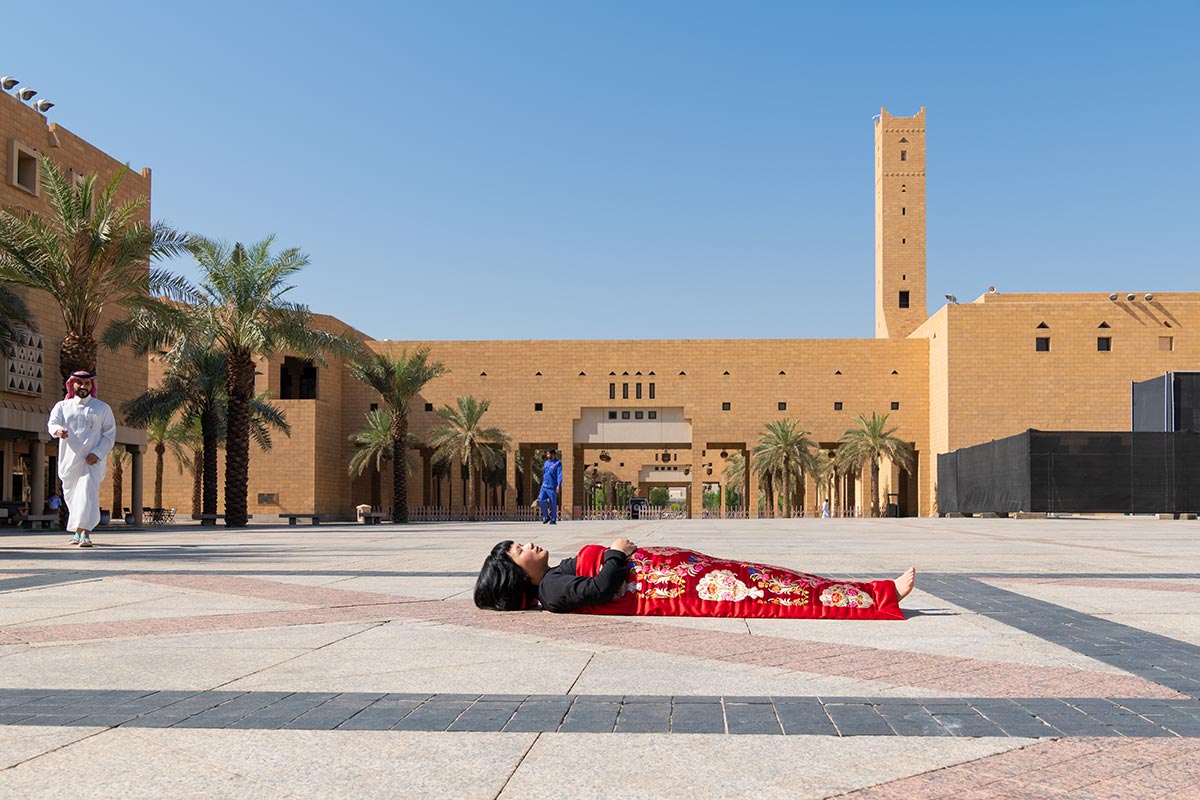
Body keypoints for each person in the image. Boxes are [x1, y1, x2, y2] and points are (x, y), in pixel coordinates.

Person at [475, 538, 916, 620]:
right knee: (780, 592)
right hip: (690, 589)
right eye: (519, 551)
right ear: (518, 576)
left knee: (776, 579)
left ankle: (873, 591)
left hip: (688, 574)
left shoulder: (551, 577)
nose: (528, 545)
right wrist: (617, 553)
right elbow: (603, 588)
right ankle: (880, 594)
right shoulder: (551, 591)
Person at [47, 371, 115, 547]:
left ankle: (85, 533)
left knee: (87, 494)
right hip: (69, 462)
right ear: (72, 385)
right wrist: (57, 431)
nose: (83, 386)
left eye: (87, 383)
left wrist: (98, 453)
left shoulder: (102, 408)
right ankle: (78, 531)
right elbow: (52, 423)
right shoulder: (62, 406)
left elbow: (109, 435)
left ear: (92, 386)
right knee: (72, 497)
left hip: (91, 461)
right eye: (79, 383)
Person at [538, 449, 562, 524]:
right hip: (544, 486)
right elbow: (544, 473)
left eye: (549, 454)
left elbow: (559, 475)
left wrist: (559, 485)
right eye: (547, 454)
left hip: (552, 487)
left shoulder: (558, 463)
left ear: (553, 454)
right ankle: (546, 516)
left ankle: (553, 519)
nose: (547, 456)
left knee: (553, 503)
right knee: (541, 500)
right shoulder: (546, 463)